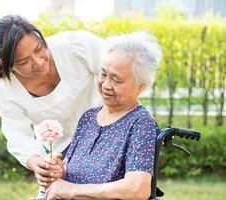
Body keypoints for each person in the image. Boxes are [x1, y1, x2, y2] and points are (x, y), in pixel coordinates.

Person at [0, 15, 105, 198]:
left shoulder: (76, 47)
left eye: (39, 48)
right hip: (61, 151)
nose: (38, 62)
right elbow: (17, 135)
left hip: (108, 134)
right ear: (7, 64)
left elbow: (119, 75)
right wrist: (37, 163)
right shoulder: (6, 91)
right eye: (23, 61)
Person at [45, 31, 162, 200]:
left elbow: (137, 189)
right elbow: (77, 169)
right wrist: (61, 169)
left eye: (116, 80)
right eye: (103, 74)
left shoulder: (140, 124)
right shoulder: (89, 117)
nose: (106, 84)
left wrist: (71, 190)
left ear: (140, 86)